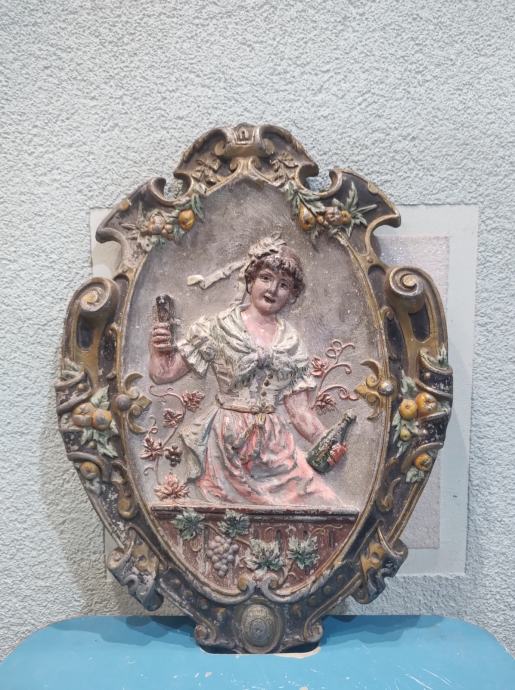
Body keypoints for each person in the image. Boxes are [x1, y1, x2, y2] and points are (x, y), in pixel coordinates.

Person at [149, 243, 341, 507]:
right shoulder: (218, 327)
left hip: (275, 447)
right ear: (250, 281)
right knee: (230, 515)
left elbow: (298, 412)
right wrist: (157, 349)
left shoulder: (292, 343)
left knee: (325, 500)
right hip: (226, 444)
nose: (272, 289)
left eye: (284, 285)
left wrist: (327, 442)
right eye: (266, 278)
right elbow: (164, 374)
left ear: (292, 295)